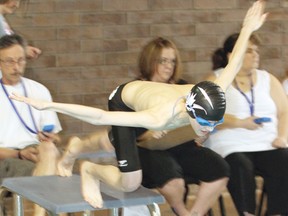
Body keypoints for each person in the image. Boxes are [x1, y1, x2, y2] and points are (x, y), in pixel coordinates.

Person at [11, 1, 267, 215]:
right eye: (205, 124)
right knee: (130, 181)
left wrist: (247, 28)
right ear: (191, 112)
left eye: (213, 124)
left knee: (117, 142)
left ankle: (77, 147)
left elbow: (232, 66)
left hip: (155, 106)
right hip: (124, 99)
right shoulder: (159, 116)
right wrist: (50, 104)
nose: (208, 130)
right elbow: (100, 116)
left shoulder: (212, 92)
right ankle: (91, 170)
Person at [204, 32, 288, 215]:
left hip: (267, 142)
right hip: (232, 144)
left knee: (285, 159)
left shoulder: (268, 78)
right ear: (231, 56)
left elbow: (284, 111)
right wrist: (239, 122)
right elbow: (206, 116)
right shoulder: (216, 80)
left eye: (257, 51)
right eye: (249, 51)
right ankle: (247, 213)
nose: (255, 55)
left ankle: (277, 212)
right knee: (240, 165)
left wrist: (282, 136)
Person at [0, 34, 62, 216]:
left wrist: (50, 138)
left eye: (20, 60)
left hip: (35, 151)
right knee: (51, 176)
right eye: (9, 61)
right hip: (6, 155)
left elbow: (56, 135)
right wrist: (19, 153)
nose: (16, 67)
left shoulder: (38, 90)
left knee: (50, 150)